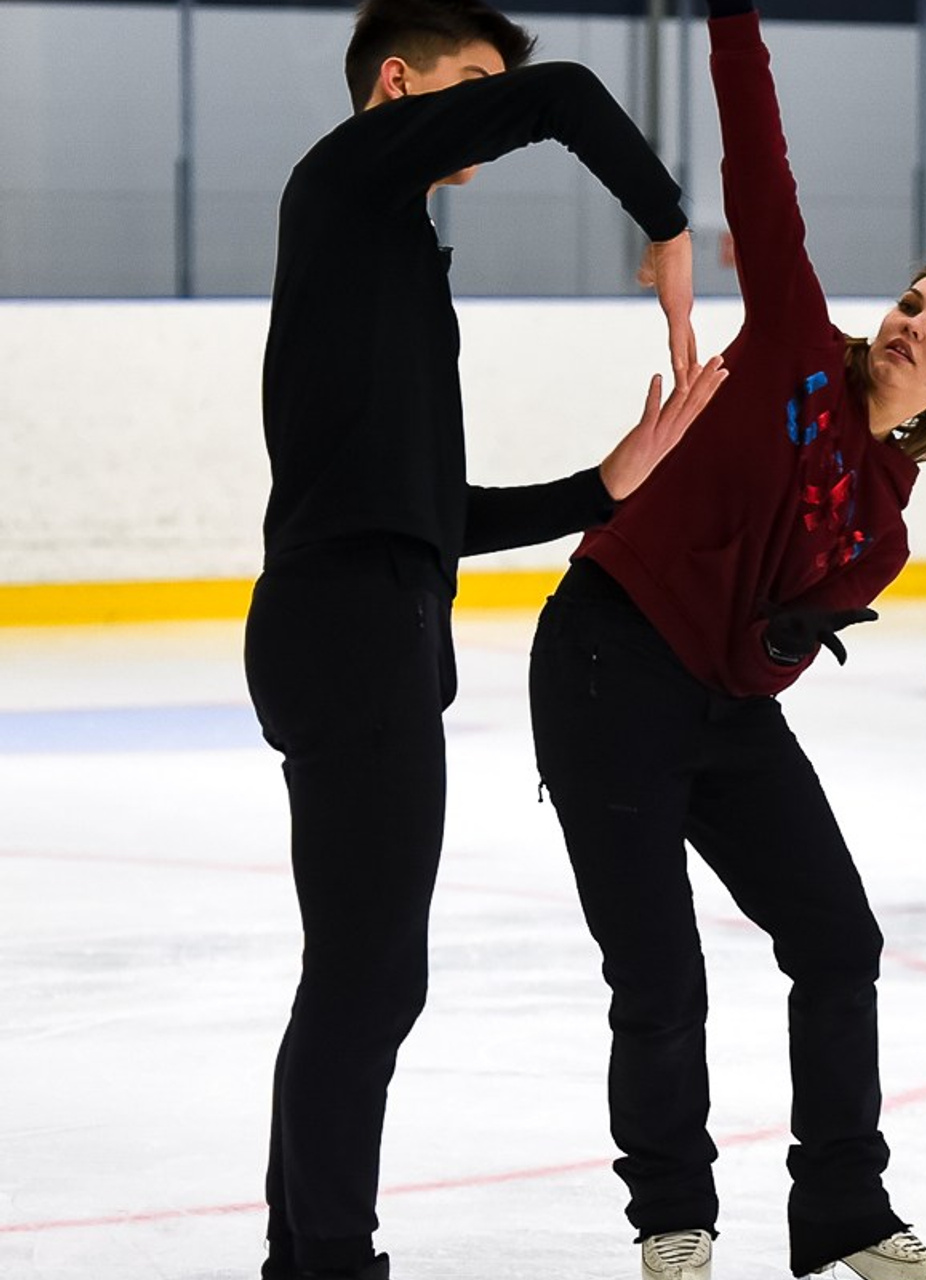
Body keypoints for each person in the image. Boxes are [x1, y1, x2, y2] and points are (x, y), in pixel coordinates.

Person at [527, 3, 926, 1279]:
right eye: (915, 301)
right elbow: (757, 153)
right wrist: (733, 18)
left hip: (724, 708)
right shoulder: (798, 333)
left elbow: (760, 664)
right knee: (659, 966)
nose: (912, 323)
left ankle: (844, 1207)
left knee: (834, 938)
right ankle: (673, 1220)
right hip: (605, 661)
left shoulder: (886, 525)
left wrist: (769, 641)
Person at [242, 2, 728, 1277]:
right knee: (365, 980)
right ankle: (325, 1261)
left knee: (357, 975)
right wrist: (670, 230)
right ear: (396, 88)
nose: (486, 111)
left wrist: (604, 484)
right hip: (348, 625)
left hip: (362, 614)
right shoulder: (347, 173)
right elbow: (561, 94)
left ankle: (310, 1255)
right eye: (469, 87)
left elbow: (426, 511)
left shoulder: (379, 242)